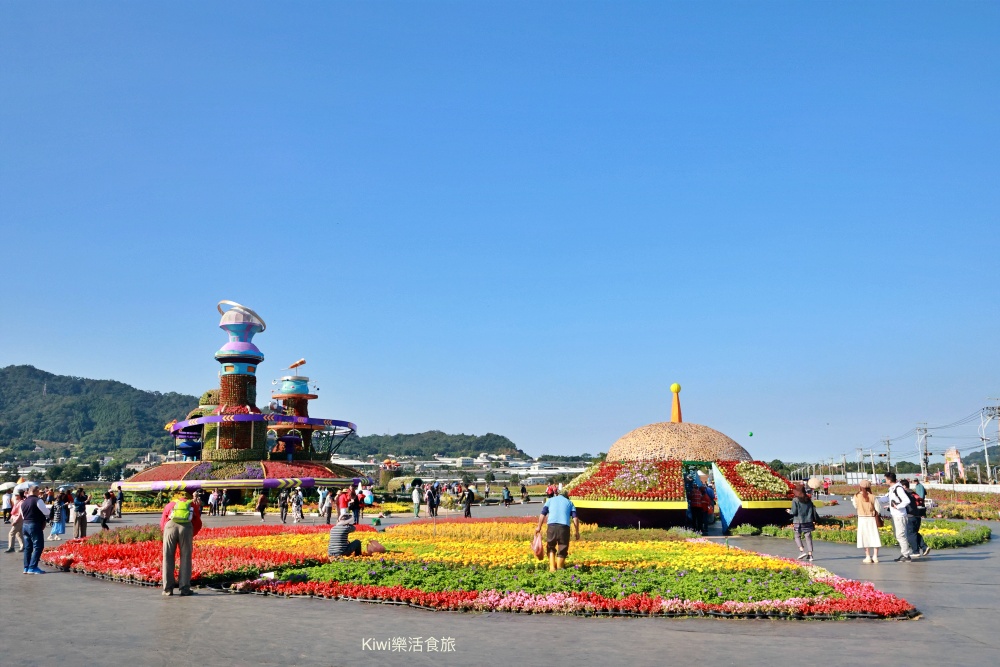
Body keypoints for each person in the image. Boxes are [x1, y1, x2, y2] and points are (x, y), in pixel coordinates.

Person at [160, 490, 203, 596]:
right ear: (188, 498)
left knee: (168, 557)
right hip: (186, 528)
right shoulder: (191, 504)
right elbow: (198, 522)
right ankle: (184, 588)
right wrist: (191, 533)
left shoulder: (171, 504)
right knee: (185, 557)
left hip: (170, 527)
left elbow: (163, 521)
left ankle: (167, 589)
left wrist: (165, 532)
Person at [535, 489, 581, 572]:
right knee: (563, 546)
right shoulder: (569, 502)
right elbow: (575, 518)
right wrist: (577, 531)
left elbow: (543, 514)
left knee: (551, 546)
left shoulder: (550, 500)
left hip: (551, 526)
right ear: (567, 496)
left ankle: (552, 568)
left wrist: (539, 527)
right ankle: (559, 568)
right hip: (564, 527)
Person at [878, 472, 913, 562]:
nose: (884, 481)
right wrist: (874, 500)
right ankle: (904, 554)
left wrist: (897, 507)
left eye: (885, 479)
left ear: (889, 480)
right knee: (899, 535)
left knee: (901, 535)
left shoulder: (898, 488)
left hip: (900, 515)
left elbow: (906, 500)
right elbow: (886, 499)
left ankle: (906, 555)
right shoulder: (892, 489)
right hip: (895, 515)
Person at [851, 479, 883, 563]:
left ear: (860, 487)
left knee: (864, 537)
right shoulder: (872, 496)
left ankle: (867, 556)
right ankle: (875, 556)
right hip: (871, 518)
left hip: (862, 518)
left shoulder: (856, 496)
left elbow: (855, 506)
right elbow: (878, 508)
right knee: (874, 536)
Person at [20, 486, 50, 574]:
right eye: (39, 491)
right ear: (36, 491)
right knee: (38, 546)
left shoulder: (24, 502)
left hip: (25, 524)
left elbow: (22, 515)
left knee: (28, 547)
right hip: (34, 525)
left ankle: (26, 567)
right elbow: (46, 512)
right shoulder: (38, 500)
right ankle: (33, 567)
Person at [900, 479, 929, 557]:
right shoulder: (913, 493)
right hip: (918, 515)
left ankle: (915, 551)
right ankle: (924, 547)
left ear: (904, 486)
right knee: (914, 533)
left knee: (910, 534)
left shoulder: (906, 494)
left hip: (910, 516)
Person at [788, 484, 817, 561]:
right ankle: (810, 555)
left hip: (798, 521)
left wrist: (789, 511)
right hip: (808, 521)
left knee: (797, 536)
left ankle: (801, 551)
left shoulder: (795, 500)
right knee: (808, 537)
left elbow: (794, 512)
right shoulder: (808, 499)